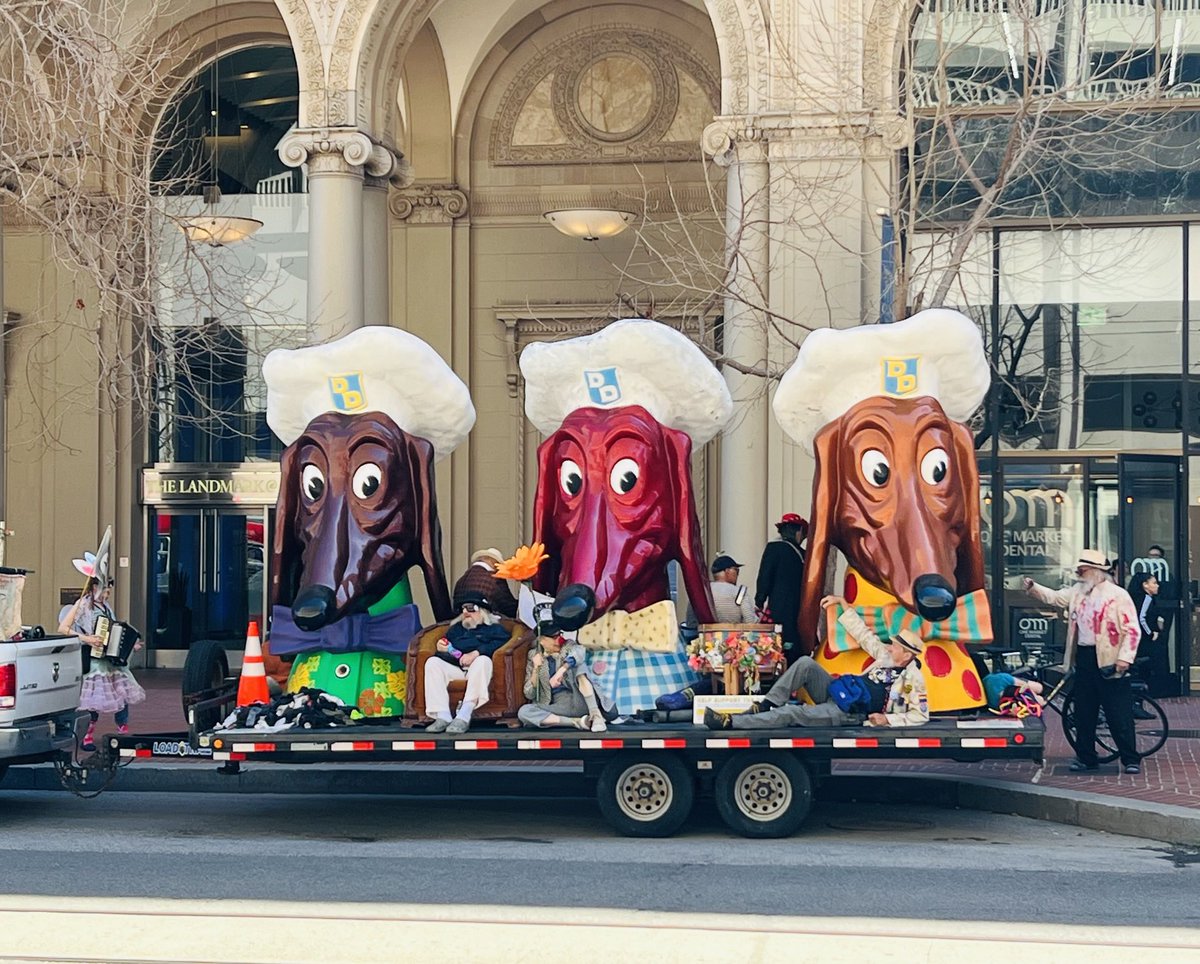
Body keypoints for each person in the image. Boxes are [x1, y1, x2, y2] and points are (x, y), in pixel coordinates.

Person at [704, 594, 927, 730]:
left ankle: (732, 722)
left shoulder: (912, 679)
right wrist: (842, 603)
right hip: (839, 691)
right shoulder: (886, 657)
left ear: (907, 655)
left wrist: (887, 720)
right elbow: (864, 635)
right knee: (805, 663)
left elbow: (920, 715)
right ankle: (766, 704)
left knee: (792, 714)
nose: (890, 646)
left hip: (849, 712)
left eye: (896, 645)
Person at [1022, 549, 1141, 774]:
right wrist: (1034, 588)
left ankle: (1130, 759)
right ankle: (1086, 757)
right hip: (1085, 656)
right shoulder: (1078, 591)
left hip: (1110, 658)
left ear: (1096, 572)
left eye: (1083, 570)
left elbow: (1132, 629)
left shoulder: (1118, 595)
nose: (1079, 573)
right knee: (1084, 712)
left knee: (1118, 712)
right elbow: (1056, 597)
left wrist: (1125, 658)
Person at [59, 577, 145, 752]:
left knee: (122, 692)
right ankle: (87, 736)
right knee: (95, 698)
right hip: (95, 660)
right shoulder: (83, 605)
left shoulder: (106, 607)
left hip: (110, 660)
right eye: (105, 590)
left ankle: (123, 730)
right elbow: (64, 628)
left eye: (108, 591)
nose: (107, 594)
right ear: (95, 587)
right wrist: (88, 639)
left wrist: (130, 645)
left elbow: (114, 631)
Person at [424, 591, 512, 734]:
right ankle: (443, 715)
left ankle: (464, 715)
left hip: (480, 671)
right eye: (463, 609)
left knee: (482, 660)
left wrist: (477, 652)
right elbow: (447, 651)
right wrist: (442, 649)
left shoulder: (494, 629)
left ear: (482, 611)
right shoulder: (456, 630)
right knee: (432, 662)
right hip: (457, 668)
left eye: (470, 608)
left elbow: (503, 643)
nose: (465, 612)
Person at [518, 630, 615, 732]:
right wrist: (536, 668)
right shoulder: (533, 655)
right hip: (559, 705)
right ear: (542, 640)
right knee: (524, 712)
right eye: (554, 637)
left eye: (559, 635)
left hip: (580, 698)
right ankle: (576, 722)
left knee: (577, 664)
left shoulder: (568, 646)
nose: (558, 640)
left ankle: (595, 715)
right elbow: (529, 694)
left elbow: (579, 652)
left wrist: (561, 671)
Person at [755, 513, 807, 659]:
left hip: (778, 607)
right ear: (798, 532)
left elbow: (764, 575)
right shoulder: (803, 554)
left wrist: (759, 599)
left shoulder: (773, 548)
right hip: (799, 608)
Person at [1128, 572, 1165, 717]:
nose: (1157, 586)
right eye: (1154, 583)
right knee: (1142, 669)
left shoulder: (1138, 598)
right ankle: (1137, 704)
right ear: (1145, 585)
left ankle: (1136, 703)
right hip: (1143, 640)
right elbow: (1141, 618)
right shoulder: (1146, 598)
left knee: (1138, 670)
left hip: (1136, 639)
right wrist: (1151, 633)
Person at [686, 553, 757, 626]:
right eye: (736, 570)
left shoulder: (701, 592)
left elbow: (690, 622)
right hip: (733, 636)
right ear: (727, 571)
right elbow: (750, 621)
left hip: (705, 635)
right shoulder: (740, 592)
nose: (737, 574)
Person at [452, 548, 519, 619]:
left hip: (462, 622)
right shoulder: (495, 578)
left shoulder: (462, 579)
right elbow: (509, 607)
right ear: (493, 562)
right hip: (486, 623)